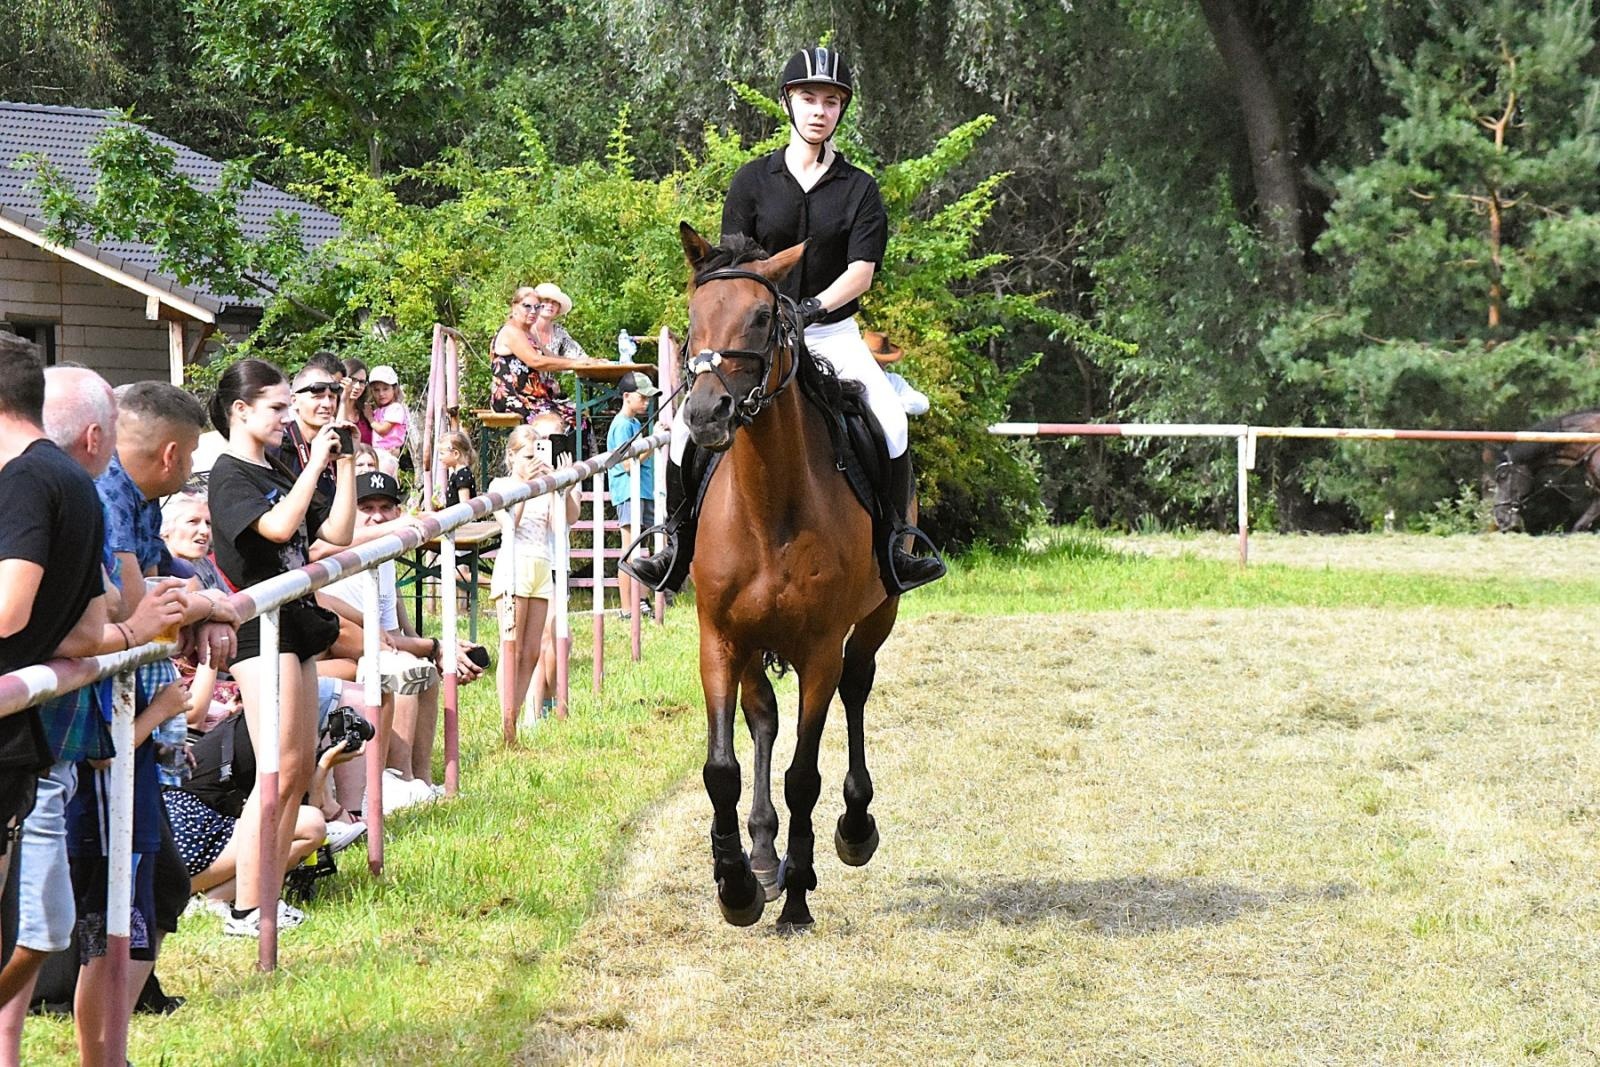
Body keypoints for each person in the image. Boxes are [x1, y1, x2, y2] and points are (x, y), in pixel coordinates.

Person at [623, 45, 946, 596]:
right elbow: (729, 263)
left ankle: (895, 546)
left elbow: (862, 271)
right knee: (682, 428)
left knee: (891, 417)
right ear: (789, 104)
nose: (819, 109)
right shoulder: (752, 181)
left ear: (841, 110)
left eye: (831, 100)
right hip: (755, 338)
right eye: (808, 98)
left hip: (830, 331)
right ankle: (674, 546)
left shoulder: (860, 188)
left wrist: (812, 307)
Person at [206, 358, 356, 937]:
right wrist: (314, 462)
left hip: (296, 625)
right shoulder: (229, 474)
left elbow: (335, 535)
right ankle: (247, 905)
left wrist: (340, 467)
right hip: (257, 629)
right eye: (278, 407)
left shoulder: (279, 464)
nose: (288, 418)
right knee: (272, 771)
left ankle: (262, 891)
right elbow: (274, 529)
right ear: (240, 411)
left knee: (294, 770)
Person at [490, 426, 580, 724]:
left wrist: (560, 487)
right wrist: (525, 489)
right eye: (527, 456)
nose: (533, 462)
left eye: (536, 455)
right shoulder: (500, 484)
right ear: (512, 456)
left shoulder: (544, 485)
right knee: (511, 647)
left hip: (541, 566)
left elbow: (560, 525)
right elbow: (509, 525)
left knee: (531, 652)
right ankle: (506, 721)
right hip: (514, 566)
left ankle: (515, 717)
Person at [489, 285, 604, 427]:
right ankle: (552, 449)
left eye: (537, 307)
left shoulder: (527, 332)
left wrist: (585, 361)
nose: (533, 311)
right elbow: (535, 360)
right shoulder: (511, 331)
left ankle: (570, 450)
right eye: (527, 306)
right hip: (514, 397)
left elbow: (549, 356)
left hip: (535, 396)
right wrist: (575, 364)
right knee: (565, 423)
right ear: (514, 307)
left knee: (579, 418)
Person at [606, 372, 660, 620]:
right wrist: (650, 443)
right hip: (629, 491)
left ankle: (641, 600)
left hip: (643, 490)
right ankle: (627, 608)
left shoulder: (635, 424)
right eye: (643, 397)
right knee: (629, 548)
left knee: (643, 547)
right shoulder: (621, 425)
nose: (647, 402)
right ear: (627, 397)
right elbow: (629, 465)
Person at [366, 365, 408, 477]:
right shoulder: (379, 410)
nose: (381, 394)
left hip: (386, 453)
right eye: (376, 390)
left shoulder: (395, 408)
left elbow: (382, 430)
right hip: (378, 452)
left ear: (394, 389)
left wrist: (369, 418)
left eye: (385, 389)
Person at [438, 430, 478, 508]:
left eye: (442, 453)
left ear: (456, 454)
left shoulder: (462, 475)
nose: (440, 458)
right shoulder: (456, 474)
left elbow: (464, 507)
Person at [340, 358, 374, 446]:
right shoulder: (329, 409)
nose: (358, 386)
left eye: (362, 382)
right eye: (353, 380)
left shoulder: (366, 411)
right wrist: (343, 401)